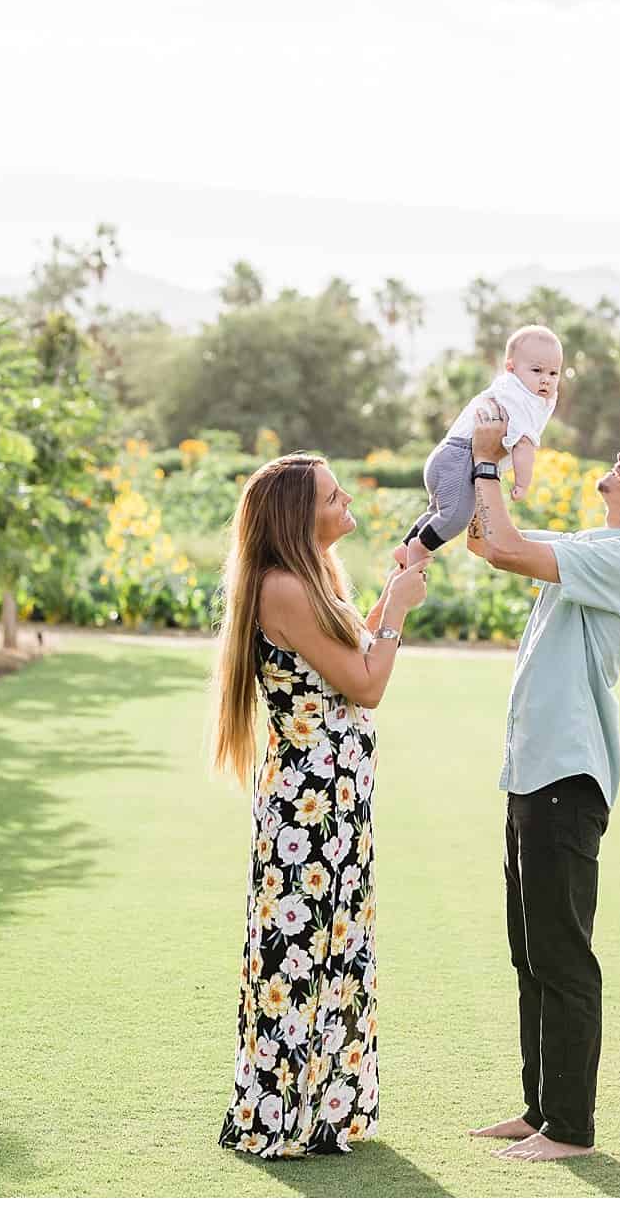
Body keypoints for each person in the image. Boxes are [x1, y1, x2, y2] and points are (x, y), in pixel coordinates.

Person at [461, 403, 620, 1162]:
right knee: (531, 951)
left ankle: (571, 1131)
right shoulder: (596, 545)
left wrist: (487, 461)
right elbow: (488, 543)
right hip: (533, 775)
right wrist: (489, 459)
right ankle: (541, 1108)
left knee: (563, 955)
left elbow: (506, 547)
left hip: (565, 782)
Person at [212, 453, 432, 1157]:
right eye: (334, 496)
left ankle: (319, 1111)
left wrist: (387, 599)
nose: (347, 501)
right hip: (311, 805)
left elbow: (345, 660)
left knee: (332, 946)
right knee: (299, 952)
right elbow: (366, 685)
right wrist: (396, 612)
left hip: (334, 802)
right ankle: (282, 1117)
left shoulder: (308, 583)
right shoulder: (284, 588)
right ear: (298, 518)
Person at [395, 324, 563, 568]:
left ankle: (405, 547)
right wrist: (522, 484)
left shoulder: (506, 390)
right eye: (537, 370)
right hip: (460, 459)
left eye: (553, 374)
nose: (545, 380)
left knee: (437, 512)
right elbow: (524, 446)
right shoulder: (519, 398)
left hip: (447, 455)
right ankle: (419, 548)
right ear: (511, 368)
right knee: (454, 517)